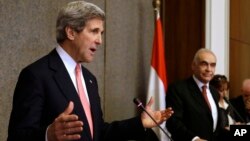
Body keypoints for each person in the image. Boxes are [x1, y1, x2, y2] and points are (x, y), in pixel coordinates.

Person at [7, 1, 174, 141]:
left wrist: (140, 123)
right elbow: (17, 136)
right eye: (94, 31)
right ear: (71, 32)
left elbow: (98, 132)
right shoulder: (36, 75)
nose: (100, 40)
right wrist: (47, 135)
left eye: (101, 33)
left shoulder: (89, 79)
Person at [165, 48, 222, 141]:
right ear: (193, 65)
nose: (209, 69)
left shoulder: (215, 92)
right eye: (204, 64)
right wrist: (194, 139)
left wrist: (240, 131)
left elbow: (214, 127)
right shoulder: (178, 89)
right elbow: (173, 122)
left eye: (212, 65)